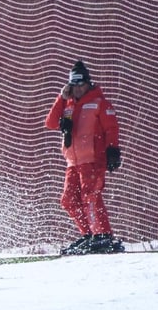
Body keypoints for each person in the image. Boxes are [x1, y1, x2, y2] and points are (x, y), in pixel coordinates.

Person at [45, 60, 124, 254]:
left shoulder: (99, 103)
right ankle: (89, 235)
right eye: (74, 85)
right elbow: (51, 123)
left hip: (93, 159)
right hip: (73, 162)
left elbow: (111, 128)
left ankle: (103, 235)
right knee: (68, 200)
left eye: (81, 85)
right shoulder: (68, 104)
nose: (78, 89)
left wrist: (112, 149)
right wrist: (61, 98)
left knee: (90, 196)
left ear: (88, 83)